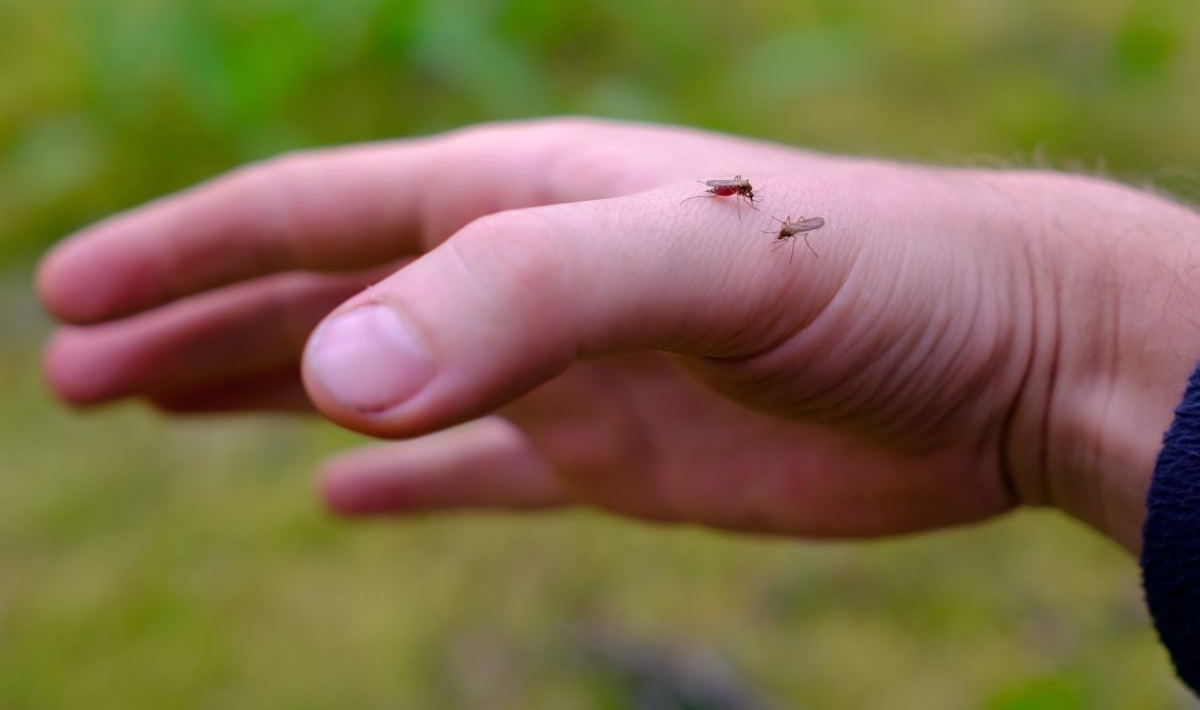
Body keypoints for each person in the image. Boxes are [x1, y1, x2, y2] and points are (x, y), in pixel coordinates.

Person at [34, 117, 1200, 687]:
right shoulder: (737, 203)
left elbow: (738, 209)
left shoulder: (763, 222)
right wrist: (1062, 354)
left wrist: (1057, 340)